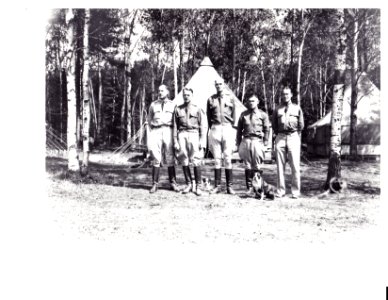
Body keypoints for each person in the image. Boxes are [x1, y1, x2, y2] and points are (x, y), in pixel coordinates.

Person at [272, 86, 304, 199]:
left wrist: (295, 134)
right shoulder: (277, 109)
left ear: (291, 95)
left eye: (287, 94)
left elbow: (301, 125)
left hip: (293, 136)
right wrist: (279, 134)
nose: (285, 96)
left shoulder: (297, 108)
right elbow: (274, 125)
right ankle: (280, 191)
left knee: (295, 165)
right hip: (280, 137)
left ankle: (295, 192)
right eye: (283, 94)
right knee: (280, 166)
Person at [173, 88, 206, 196]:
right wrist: (175, 141)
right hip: (182, 134)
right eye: (184, 95)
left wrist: (202, 140)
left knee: (196, 159)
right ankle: (189, 184)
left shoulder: (198, 109)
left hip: (194, 134)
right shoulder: (178, 109)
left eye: (188, 95)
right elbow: (175, 126)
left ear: (192, 95)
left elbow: (203, 126)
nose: (186, 96)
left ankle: (198, 186)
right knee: (184, 159)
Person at [147, 85, 179, 193]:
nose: (160, 92)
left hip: (168, 130)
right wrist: (152, 131)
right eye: (159, 90)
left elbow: (176, 122)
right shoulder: (153, 105)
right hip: (156, 130)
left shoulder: (173, 105)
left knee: (170, 156)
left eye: (162, 90)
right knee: (156, 156)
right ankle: (155, 184)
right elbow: (149, 119)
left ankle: (173, 183)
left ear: (167, 92)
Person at [206, 78, 236, 194]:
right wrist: (212, 128)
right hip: (215, 128)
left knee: (228, 158)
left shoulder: (230, 98)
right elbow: (209, 117)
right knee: (217, 158)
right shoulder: (210, 99)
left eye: (220, 84)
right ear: (215, 86)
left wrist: (230, 127)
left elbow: (234, 115)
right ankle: (217, 186)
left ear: (224, 85)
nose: (218, 86)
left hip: (227, 128)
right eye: (216, 84)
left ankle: (229, 186)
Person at [236, 95, 270, 197]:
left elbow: (267, 129)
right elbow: (239, 130)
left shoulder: (263, 115)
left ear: (258, 102)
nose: (251, 103)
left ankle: (258, 189)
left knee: (257, 165)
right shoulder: (243, 114)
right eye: (249, 101)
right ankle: (249, 188)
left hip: (257, 141)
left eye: (253, 101)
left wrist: (266, 142)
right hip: (246, 140)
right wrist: (238, 143)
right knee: (247, 165)